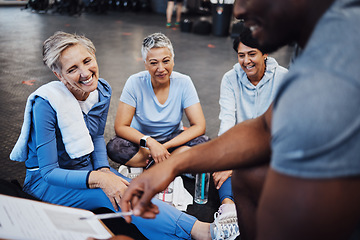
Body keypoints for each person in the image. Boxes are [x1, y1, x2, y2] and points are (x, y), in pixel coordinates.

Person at [120, 0, 360, 240]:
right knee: (247, 177)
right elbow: (263, 128)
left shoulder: (344, 50)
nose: (237, 11)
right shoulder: (310, 43)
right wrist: (173, 165)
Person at [9, 31, 239, 240]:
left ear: (94, 56)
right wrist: (100, 178)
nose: (85, 73)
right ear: (59, 75)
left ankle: (192, 231)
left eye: (87, 61)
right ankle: (202, 231)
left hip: (87, 169)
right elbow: (48, 172)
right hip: (47, 182)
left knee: (131, 190)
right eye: (72, 69)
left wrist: (102, 169)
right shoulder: (46, 104)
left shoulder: (100, 91)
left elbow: (97, 137)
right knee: (113, 192)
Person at [106, 32, 210, 171]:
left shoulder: (184, 82)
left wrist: (163, 147)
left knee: (204, 143)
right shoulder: (134, 82)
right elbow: (121, 127)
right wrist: (150, 143)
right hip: (142, 144)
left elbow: (199, 126)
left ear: (173, 60)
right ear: (145, 65)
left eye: (166, 61)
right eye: (154, 63)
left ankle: (154, 164)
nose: (161, 69)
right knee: (115, 147)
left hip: (172, 142)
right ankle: (171, 164)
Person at [213, 27, 288, 212]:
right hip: (239, 146)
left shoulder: (284, 78)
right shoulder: (230, 79)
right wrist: (227, 160)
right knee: (219, 166)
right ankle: (228, 210)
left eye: (252, 54)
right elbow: (227, 120)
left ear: (265, 53)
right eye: (241, 55)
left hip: (271, 148)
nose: (246, 61)